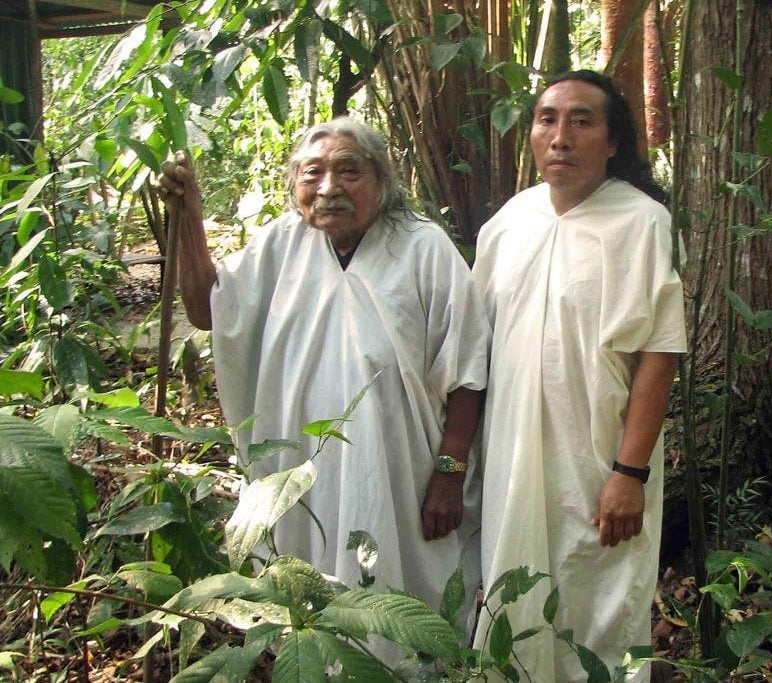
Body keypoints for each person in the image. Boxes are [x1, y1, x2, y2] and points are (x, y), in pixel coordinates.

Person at [158, 117, 490, 619]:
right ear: (295, 184)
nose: (329, 188)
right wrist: (189, 218)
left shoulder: (424, 248)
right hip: (300, 462)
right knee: (310, 585)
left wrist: (449, 473)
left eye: (348, 171)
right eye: (312, 173)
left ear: (381, 181)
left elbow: (467, 370)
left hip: (403, 468)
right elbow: (208, 311)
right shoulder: (279, 245)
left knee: (407, 601)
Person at [471, 70, 687, 680]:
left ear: (613, 141)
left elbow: (659, 352)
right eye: (547, 119)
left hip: (597, 453)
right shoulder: (509, 222)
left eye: (581, 121)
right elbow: (472, 343)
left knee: (599, 597)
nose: (560, 136)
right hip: (512, 452)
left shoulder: (643, 222)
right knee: (515, 589)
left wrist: (629, 472)